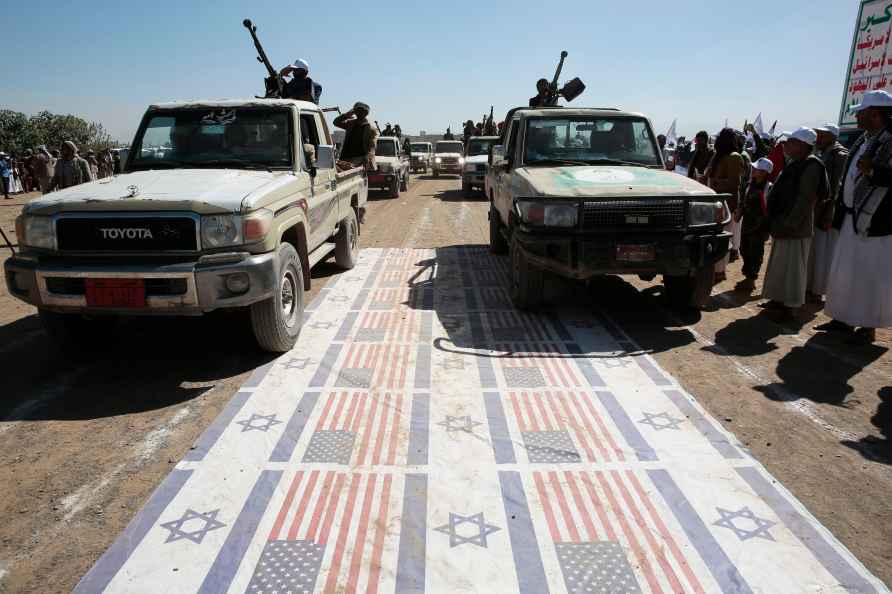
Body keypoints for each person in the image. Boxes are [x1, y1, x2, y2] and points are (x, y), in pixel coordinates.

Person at [824, 90, 892, 344]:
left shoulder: (889, 141)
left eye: (861, 112)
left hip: (874, 222)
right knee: (846, 271)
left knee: (869, 275)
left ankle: (867, 325)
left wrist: (874, 170)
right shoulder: (865, 139)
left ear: (874, 114)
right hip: (852, 218)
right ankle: (842, 318)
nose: (857, 117)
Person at [760, 127, 828, 323]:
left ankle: (791, 307)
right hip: (783, 222)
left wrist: (790, 224)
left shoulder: (812, 166)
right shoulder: (796, 163)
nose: (786, 145)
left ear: (803, 145)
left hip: (795, 226)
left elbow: (805, 199)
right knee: (780, 265)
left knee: (794, 269)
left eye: (791, 142)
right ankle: (778, 300)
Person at [807, 124, 848, 303]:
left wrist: (828, 214)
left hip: (826, 213)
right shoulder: (822, 152)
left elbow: (836, 188)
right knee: (813, 251)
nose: (819, 138)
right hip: (816, 210)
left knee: (823, 253)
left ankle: (818, 290)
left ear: (832, 137)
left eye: (822, 136)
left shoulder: (840, 155)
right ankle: (809, 287)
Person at [706, 128, 745, 281]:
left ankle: (719, 272)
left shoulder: (735, 157)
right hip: (715, 202)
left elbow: (734, 183)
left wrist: (715, 182)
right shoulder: (719, 156)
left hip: (726, 203)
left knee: (723, 238)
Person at [735, 158, 774, 291]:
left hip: (760, 227)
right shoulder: (748, 184)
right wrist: (739, 213)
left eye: (757, 169)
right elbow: (743, 202)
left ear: (764, 172)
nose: (753, 170)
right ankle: (747, 276)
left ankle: (751, 279)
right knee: (744, 249)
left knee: (755, 252)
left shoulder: (769, 188)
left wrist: (767, 229)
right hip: (747, 224)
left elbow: (770, 209)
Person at [333, 102, 378, 170]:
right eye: (357, 111)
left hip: (361, 158)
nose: (358, 113)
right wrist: (346, 115)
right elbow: (336, 122)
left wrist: (369, 157)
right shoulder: (351, 123)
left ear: (365, 113)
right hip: (346, 156)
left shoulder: (371, 128)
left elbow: (372, 145)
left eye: (361, 111)